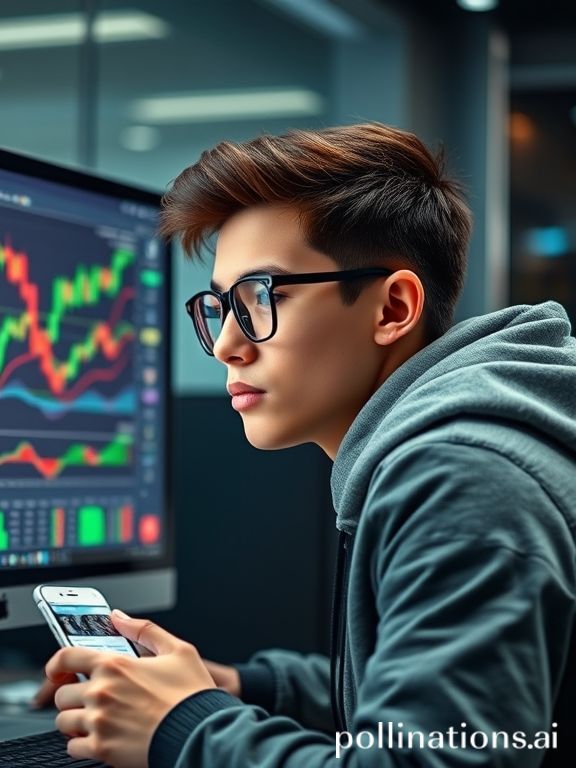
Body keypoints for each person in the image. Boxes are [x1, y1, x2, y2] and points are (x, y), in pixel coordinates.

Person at [39, 124, 576, 767]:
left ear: (392, 308)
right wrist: (242, 690)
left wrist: (182, 728)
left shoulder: (459, 475)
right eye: (218, 308)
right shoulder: (458, 446)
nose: (226, 345)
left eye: (261, 298)